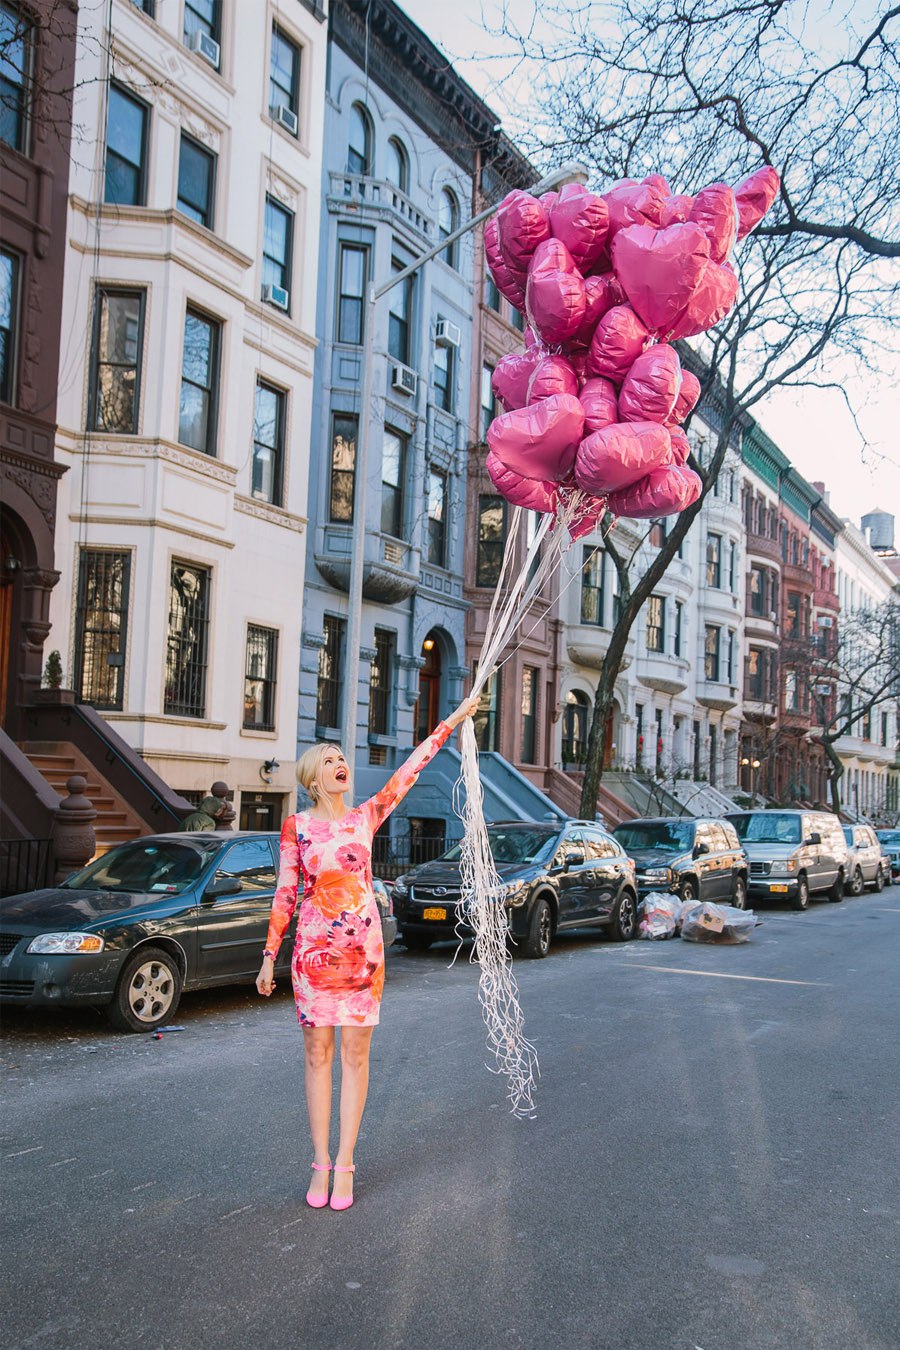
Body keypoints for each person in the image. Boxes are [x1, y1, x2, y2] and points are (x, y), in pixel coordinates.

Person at [256, 694, 479, 1211]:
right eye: (331, 760)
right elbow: (286, 892)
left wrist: (451, 720)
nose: (341, 765)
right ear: (314, 777)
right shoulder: (298, 827)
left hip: (361, 950)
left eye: (343, 760)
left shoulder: (366, 816)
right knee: (317, 1054)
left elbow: (409, 770)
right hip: (313, 948)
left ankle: (347, 1163)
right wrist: (270, 954)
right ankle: (318, 1162)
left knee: (355, 1053)